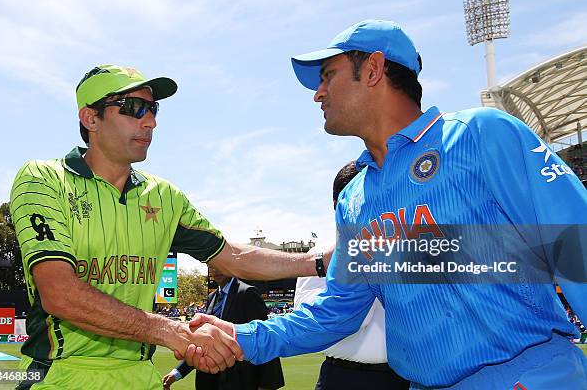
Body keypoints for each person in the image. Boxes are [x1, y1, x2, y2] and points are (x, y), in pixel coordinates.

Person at [186, 20, 587, 389]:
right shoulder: (354, 199)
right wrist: (241, 336)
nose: (318, 93)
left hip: (531, 376)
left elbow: (577, 246)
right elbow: (336, 312)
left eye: (328, 75)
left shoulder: (480, 135)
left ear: (374, 69)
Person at [9, 64, 329, 389]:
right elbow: (61, 294)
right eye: (133, 108)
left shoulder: (163, 196)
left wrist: (319, 262)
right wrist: (172, 331)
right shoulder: (43, 179)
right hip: (58, 375)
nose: (150, 121)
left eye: (153, 109)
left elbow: (232, 256)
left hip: (140, 374)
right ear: (90, 118)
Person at [294, 161, 409, 390]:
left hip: (405, 377)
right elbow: (323, 323)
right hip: (343, 377)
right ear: (338, 205)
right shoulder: (319, 256)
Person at [163, 266, 284, 390]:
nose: (215, 270)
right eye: (211, 267)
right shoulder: (212, 298)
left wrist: (267, 385)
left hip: (239, 382)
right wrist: (177, 373)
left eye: (219, 265)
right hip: (210, 381)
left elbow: (265, 338)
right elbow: (204, 341)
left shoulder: (247, 294)